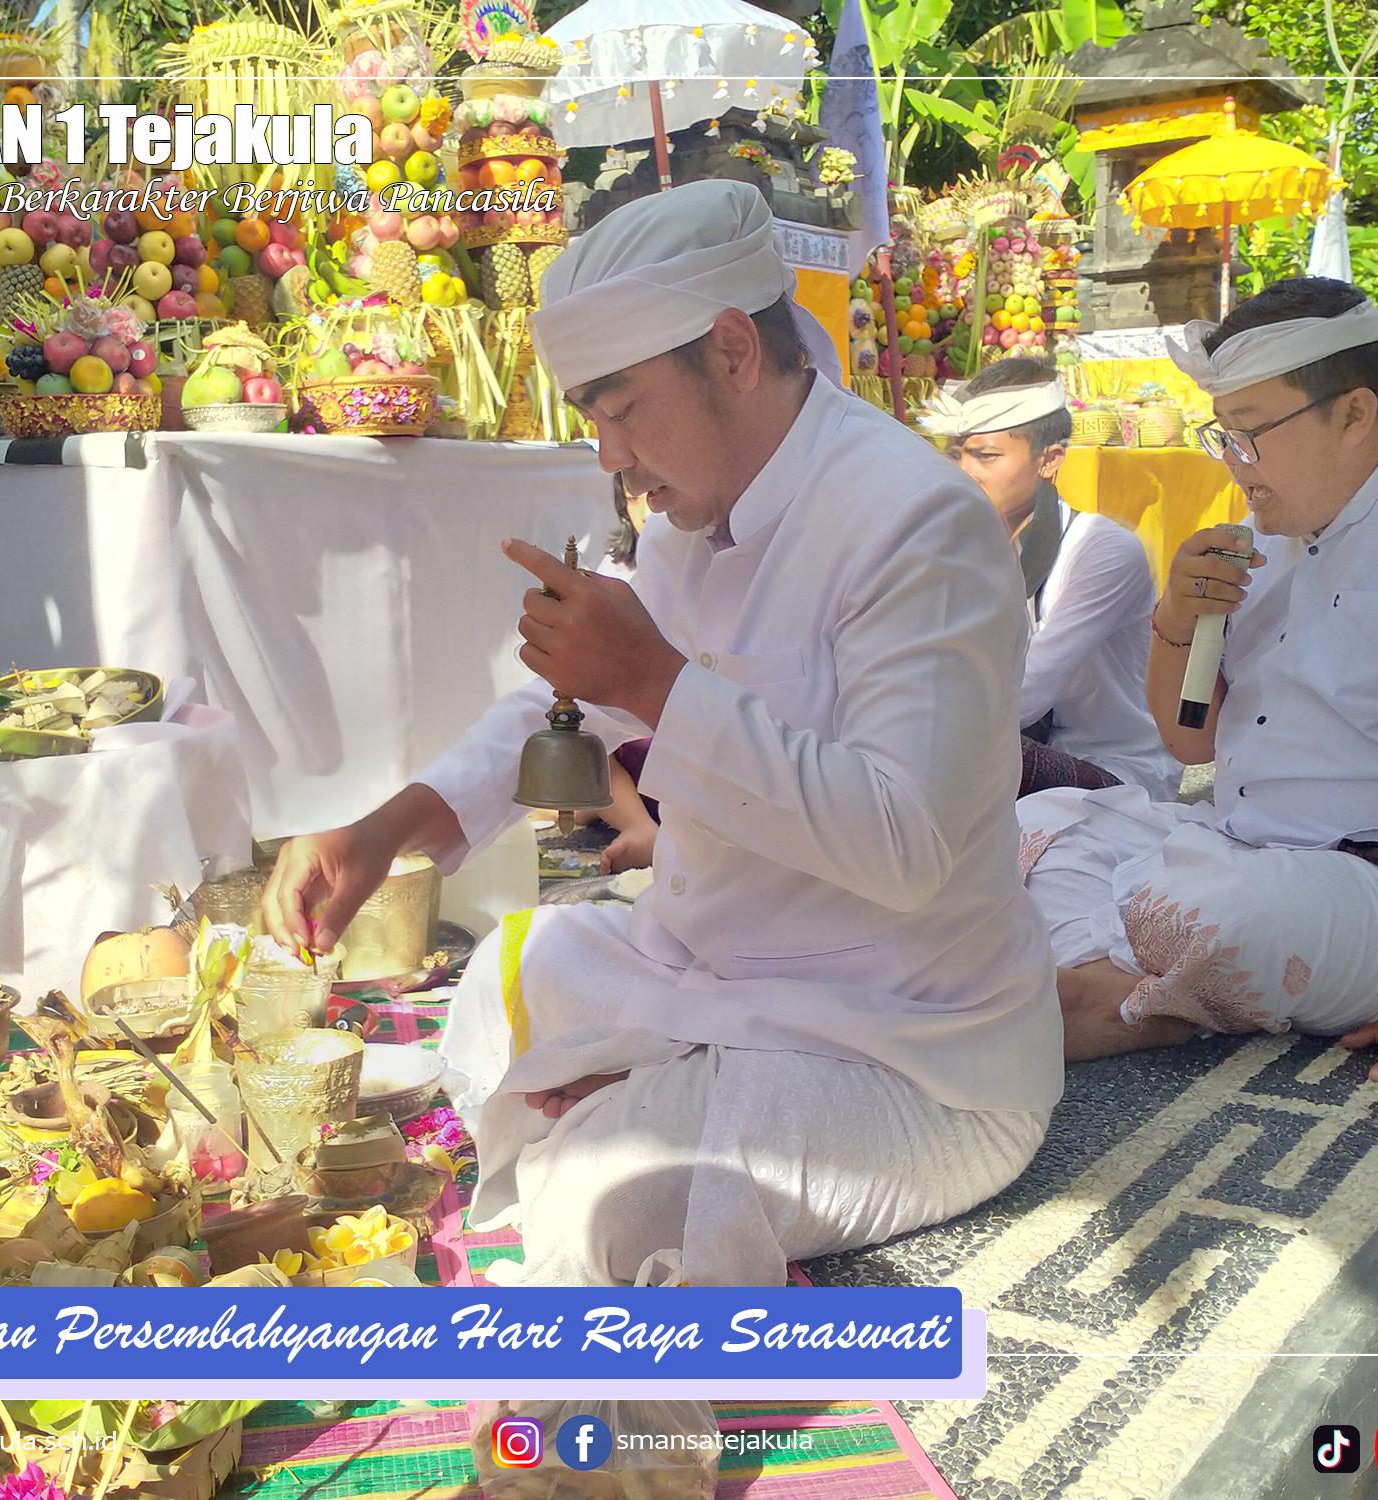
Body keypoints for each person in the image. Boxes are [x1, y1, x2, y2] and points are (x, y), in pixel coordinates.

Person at [262, 180, 1060, 1287]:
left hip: (901, 1048)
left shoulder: (918, 525)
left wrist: (657, 680)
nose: (608, 456)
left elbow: (905, 844)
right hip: (714, 976)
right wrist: (381, 828)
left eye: (622, 407)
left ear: (733, 350)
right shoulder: (692, 520)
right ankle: (654, 1077)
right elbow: (568, 710)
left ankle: (643, 1116)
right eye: (593, 417)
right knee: (518, 963)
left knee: (607, 1190)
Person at [1015, 278, 1378, 1093]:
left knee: (1213, 913)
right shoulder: (1271, 532)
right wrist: (1179, 619)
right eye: (1223, 431)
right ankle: (1119, 988)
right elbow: (1191, 740)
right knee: (1030, 826)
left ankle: (1102, 988)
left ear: (1355, 414)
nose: (1229, 459)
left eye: (1248, 432)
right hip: (1250, 847)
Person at [928, 356, 1181, 800]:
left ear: (1050, 461)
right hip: (1014, 749)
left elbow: (1023, 697)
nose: (966, 473)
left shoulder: (1102, 549)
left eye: (985, 456)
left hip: (1115, 768)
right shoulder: (964, 541)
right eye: (956, 455)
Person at [592, 476, 661, 875]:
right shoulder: (614, 575)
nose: (647, 512)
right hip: (628, 740)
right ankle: (638, 826)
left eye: (655, 496)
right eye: (636, 499)